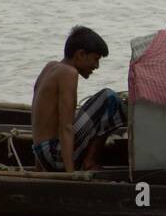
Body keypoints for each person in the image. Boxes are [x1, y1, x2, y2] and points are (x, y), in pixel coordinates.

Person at [30, 26, 127, 173]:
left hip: (43, 154)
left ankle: (86, 162)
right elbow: (66, 127)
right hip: (55, 156)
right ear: (80, 54)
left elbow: (38, 121)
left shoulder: (51, 67)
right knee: (110, 98)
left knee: (98, 104)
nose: (96, 66)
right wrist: (70, 174)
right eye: (95, 59)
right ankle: (90, 162)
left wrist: (40, 167)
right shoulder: (69, 73)